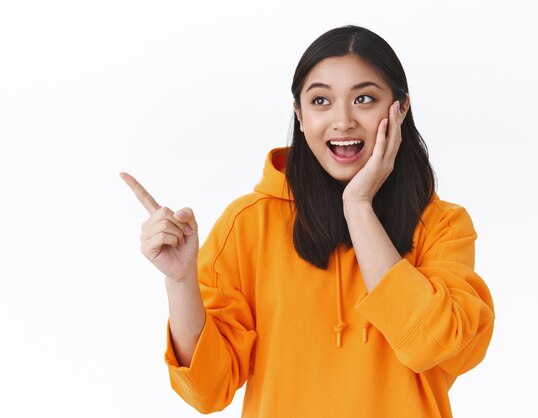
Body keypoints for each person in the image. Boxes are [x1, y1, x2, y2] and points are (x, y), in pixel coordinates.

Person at [120, 25, 494, 418]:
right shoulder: (249, 224)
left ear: (400, 109)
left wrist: (359, 207)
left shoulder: (443, 226)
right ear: (299, 116)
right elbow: (207, 391)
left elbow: (435, 347)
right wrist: (180, 282)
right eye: (321, 101)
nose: (343, 120)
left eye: (364, 98)